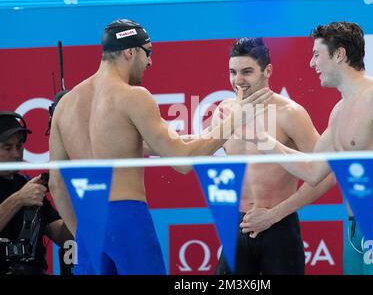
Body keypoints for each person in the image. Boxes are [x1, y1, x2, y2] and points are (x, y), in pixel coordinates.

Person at [48, 19, 272, 275]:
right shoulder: (132, 96)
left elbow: (56, 183)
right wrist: (234, 120)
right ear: (129, 52)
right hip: (127, 219)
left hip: (88, 222)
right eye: (148, 52)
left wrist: (82, 233)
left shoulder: (64, 106)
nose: (150, 62)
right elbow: (183, 161)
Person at [241, 22, 373, 275]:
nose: (312, 63)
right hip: (354, 228)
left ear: (339, 54)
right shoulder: (339, 111)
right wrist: (263, 140)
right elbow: (312, 171)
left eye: (316, 55)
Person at [213, 38, 335, 275]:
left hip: (280, 227)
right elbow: (191, 151)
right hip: (237, 227)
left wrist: (273, 215)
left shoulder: (290, 114)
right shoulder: (223, 112)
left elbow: (327, 174)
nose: (238, 80)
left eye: (247, 72)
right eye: (233, 72)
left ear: (268, 70)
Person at [0, 111, 73, 275]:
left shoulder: (28, 185)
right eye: (7, 147)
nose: (16, 154)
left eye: (19, 146)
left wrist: (68, 194)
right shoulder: (25, 192)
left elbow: (64, 237)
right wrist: (19, 199)